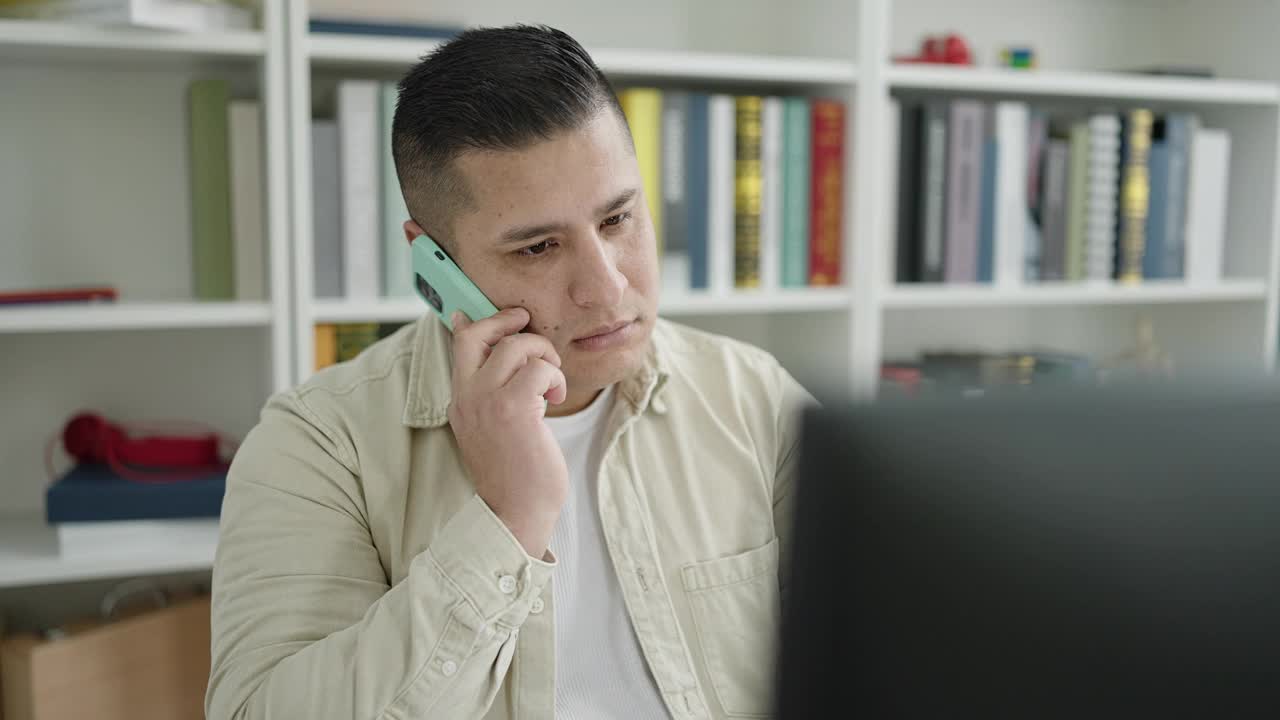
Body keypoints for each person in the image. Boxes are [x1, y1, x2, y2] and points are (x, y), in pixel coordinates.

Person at [206, 23, 813, 720]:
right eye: (538, 248)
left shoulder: (754, 398)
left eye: (618, 218)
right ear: (434, 261)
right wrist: (506, 521)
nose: (606, 288)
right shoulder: (317, 445)